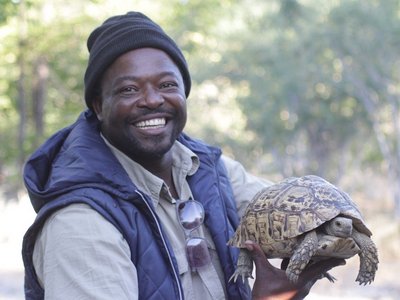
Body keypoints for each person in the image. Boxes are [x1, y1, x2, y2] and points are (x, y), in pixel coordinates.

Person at [21, 11, 344, 300]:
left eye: (166, 85)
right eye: (129, 89)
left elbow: (305, 218)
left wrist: (343, 225)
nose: (151, 100)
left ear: (183, 94)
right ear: (97, 106)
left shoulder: (210, 171)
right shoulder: (81, 225)